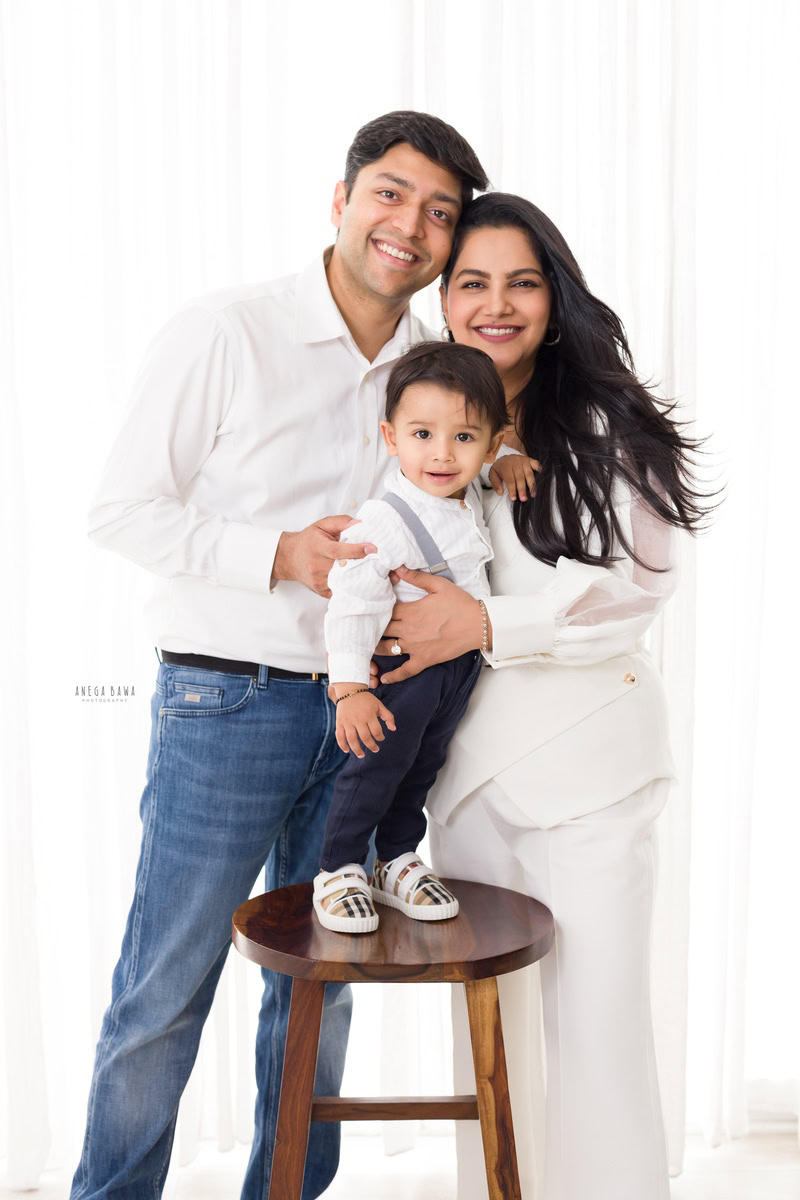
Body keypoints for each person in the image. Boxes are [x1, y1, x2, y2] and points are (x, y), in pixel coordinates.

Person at [70, 111, 490, 1200]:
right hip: (230, 700)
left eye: (439, 213)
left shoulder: (430, 367)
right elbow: (118, 510)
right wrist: (275, 555)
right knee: (166, 982)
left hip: (375, 710)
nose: (411, 226)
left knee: (322, 984)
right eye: (391, 194)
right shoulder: (226, 330)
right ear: (341, 198)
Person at [370, 193, 714, 1200]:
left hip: (589, 774)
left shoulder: (603, 421)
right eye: (471, 281)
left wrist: (479, 626)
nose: (495, 303)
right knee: (497, 1054)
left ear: (553, 301)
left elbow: (635, 589)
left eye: (521, 281)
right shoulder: (431, 419)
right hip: (468, 784)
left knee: (597, 1038)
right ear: (442, 295)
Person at [314, 340, 506, 931]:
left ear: (491, 442)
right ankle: (339, 867)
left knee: (423, 768)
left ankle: (395, 859)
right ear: (391, 437)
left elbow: (489, 467)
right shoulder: (385, 520)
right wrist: (349, 688)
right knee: (375, 768)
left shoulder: (468, 491)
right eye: (422, 434)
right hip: (401, 677)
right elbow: (350, 605)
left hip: (457, 672)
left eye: (464, 438)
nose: (442, 454)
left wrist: (510, 464)